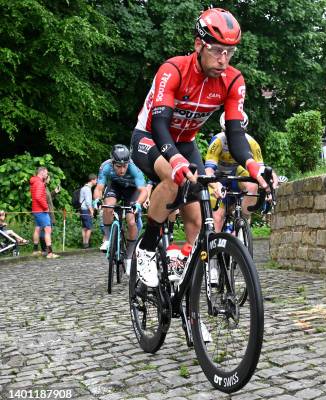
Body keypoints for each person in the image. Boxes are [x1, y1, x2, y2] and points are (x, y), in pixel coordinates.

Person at [131, 8, 269, 288]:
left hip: (186, 143)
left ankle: (187, 297)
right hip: (150, 137)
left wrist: (254, 167)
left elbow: (235, 133)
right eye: (217, 50)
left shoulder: (232, 80)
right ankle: (145, 249)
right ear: (198, 45)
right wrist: (176, 161)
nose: (223, 59)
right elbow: (159, 124)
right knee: (173, 175)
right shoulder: (173, 70)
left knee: (197, 222)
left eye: (230, 52)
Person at [205, 111, 278, 232]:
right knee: (217, 218)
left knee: (253, 184)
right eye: (227, 132)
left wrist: (270, 178)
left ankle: (241, 223)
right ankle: (216, 246)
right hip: (218, 176)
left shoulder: (251, 143)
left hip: (236, 172)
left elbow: (260, 168)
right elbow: (208, 170)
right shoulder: (218, 141)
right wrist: (214, 184)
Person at [93, 145, 147, 274]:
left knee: (131, 220)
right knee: (107, 206)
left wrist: (138, 203)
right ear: (112, 163)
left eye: (125, 166)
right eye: (118, 166)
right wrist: (96, 199)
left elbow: (143, 191)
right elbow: (99, 188)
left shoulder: (134, 168)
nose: (122, 170)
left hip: (132, 190)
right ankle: (107, 239)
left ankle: (129, 257)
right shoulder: (105, 166)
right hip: (115, 187)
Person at [29, 167, 59, 259]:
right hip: (41, 210)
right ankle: (50, 253)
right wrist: (45, 207)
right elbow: (38, 197)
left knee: (38, 228)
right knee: (47, 230)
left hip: (36, 210)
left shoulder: (34, 182)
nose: (47, 175)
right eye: (46, 173)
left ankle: (35, 250)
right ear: (41, 173)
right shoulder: (39, 183)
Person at [79, 174, 97, 249]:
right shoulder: (87, 189)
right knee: (89, 227)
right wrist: (91, 211)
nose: (96, 181)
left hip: (82, 209)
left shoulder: (84, 188)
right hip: (86, 210)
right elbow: (88, 202)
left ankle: (84, 243)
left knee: (84, 227)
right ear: (92, 180)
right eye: (96, 180)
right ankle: (86, 244)